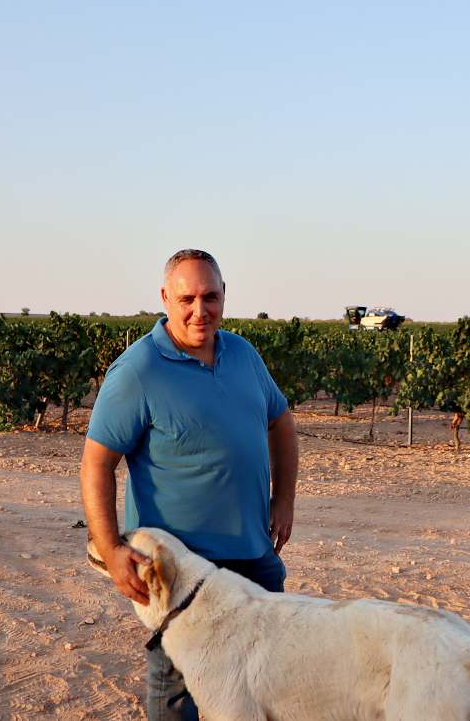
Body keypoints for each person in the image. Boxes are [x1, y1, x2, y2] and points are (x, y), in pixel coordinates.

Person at [79, 249, 298, 721]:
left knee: (262, 685)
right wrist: (111, 549)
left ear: (224, 296)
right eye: (187, 298)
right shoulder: (138, 371)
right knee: (180, 691)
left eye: (211, 297)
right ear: (165, 298)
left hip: (254, 557)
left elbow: (281, 421)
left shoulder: (242, 354)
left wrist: (284, 499)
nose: (201, 310)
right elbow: (95, 465)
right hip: (181, 570)